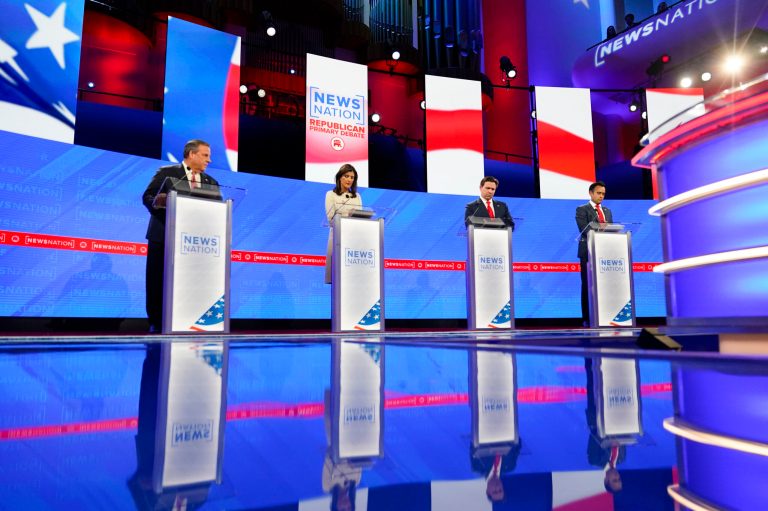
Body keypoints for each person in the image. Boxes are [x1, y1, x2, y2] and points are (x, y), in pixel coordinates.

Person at [142, 139, 220, 332]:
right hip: (164, 237)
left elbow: (218, 211)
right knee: (157, 281)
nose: (209, 160)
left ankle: (190, 321)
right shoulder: (166, 173)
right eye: (205, 155)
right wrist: (164, 208)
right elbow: (148, 197)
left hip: (196, 243)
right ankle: (156, 323)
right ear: (191, 154)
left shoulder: (211, 183)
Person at [575, 181, 612, 326]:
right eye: (598, 193)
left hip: (606, 252)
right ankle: (587, 318)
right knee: (587, 284)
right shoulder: (582, 210)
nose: (601, 196)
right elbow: (584, 229)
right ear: (591, 193)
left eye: (603, 194)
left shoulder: (607, 211)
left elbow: (612, 229)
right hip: (588, 252)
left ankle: (605, 315)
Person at [324, 164, 362, 284]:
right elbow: (331, 218)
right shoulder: (331, 194)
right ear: (340, 177)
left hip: (353, 238)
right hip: (337, 237)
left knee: (352, 278)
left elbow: (360, 217)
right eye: (347, 176)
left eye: (352, 177)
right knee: (337, 277)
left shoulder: (357, 197)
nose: (350, 179)